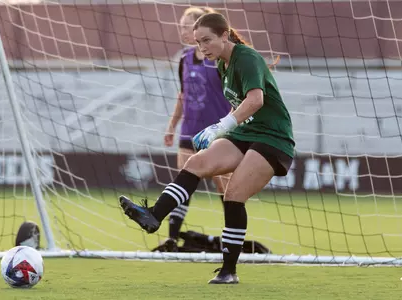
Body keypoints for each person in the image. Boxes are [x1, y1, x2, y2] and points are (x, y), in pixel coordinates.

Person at [119, 12, 295, 284]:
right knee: (196, 164)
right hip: (246, 132)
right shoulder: (222, 64)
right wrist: (218, 129)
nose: (201, 47)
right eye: (198, 42)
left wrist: (221, 126)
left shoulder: (246, 57)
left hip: (273, 138)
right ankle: (154, 216)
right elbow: (239, 106)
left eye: (207, 41)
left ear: (224, 35)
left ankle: (228, 271)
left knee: (234, 193)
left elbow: (256, 99)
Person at [157, 6, 231, 252]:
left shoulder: (220, 59)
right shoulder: (184, 59)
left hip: (218, 133)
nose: (183, 31)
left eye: (186, 26)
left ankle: (232, 237)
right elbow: (183, 94)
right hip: (189, 131)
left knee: (225, 188)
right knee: (183, 183)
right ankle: (171, 237)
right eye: (180, 27)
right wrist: (171, 126)